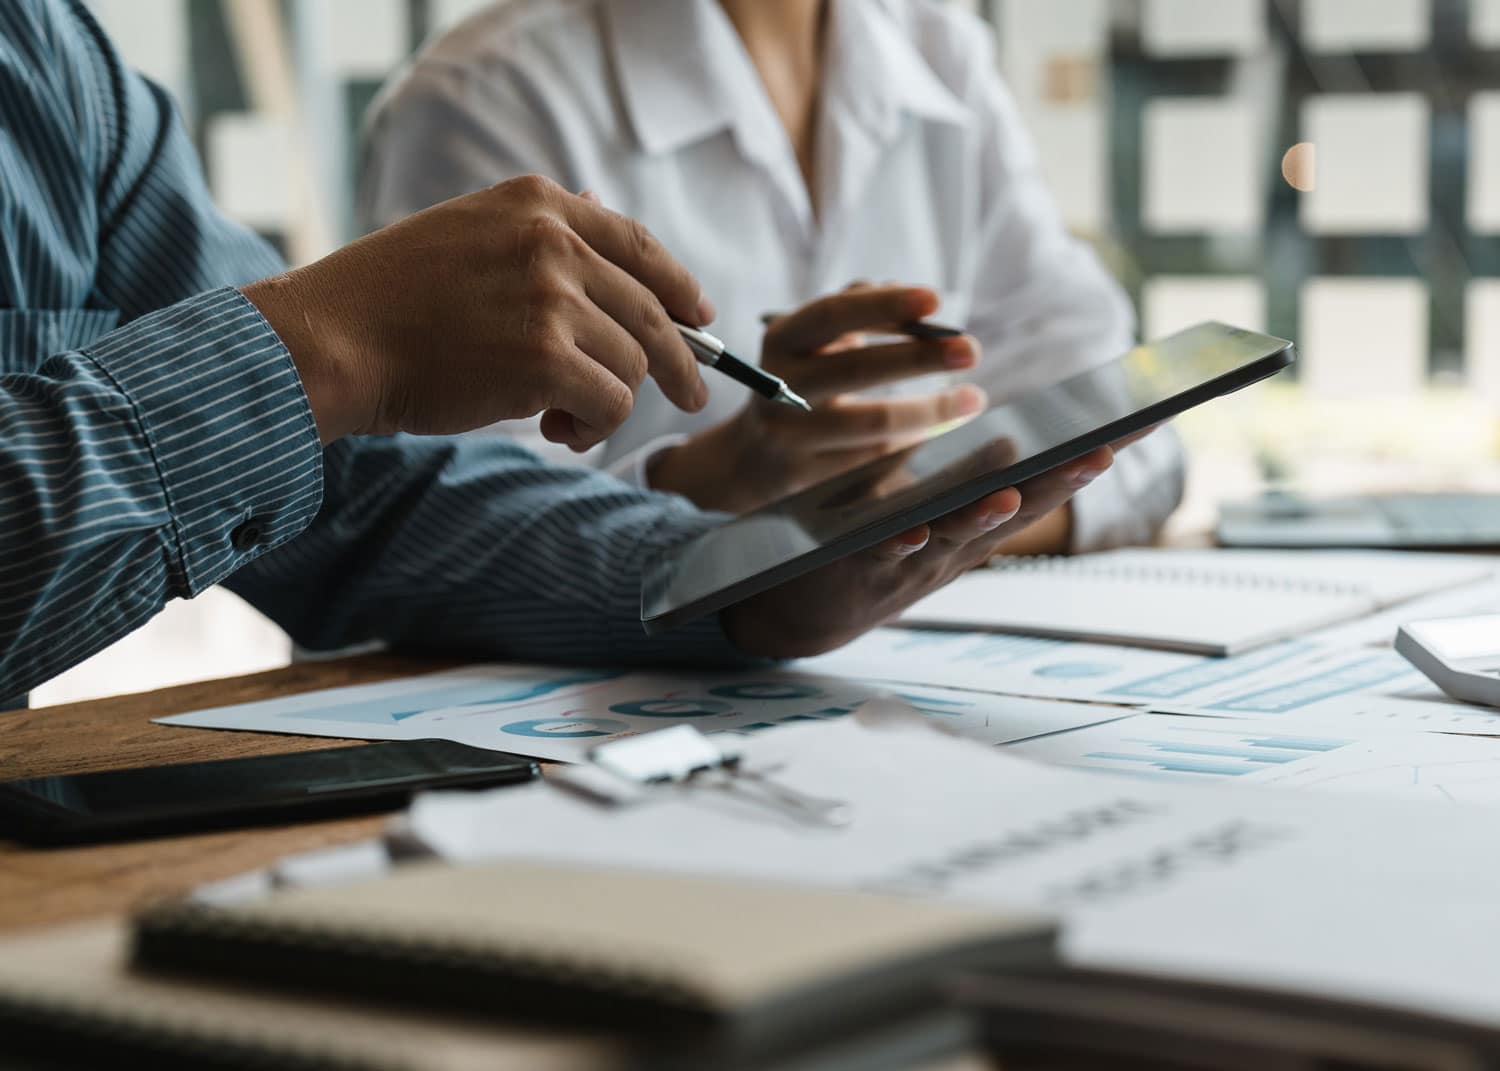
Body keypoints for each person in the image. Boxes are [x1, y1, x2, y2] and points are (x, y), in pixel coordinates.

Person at [0, 0, 1113, 708]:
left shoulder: (51, 63)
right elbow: (355, 438)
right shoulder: (488, 90)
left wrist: (733, 584)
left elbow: (361, 499)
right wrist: (322, 351)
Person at [360, 0, 1183, 554]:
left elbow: (1137, 432)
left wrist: (918, 521)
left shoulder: (939, 45)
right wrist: (732, 487)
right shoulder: (489, 97)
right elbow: (436, 536)